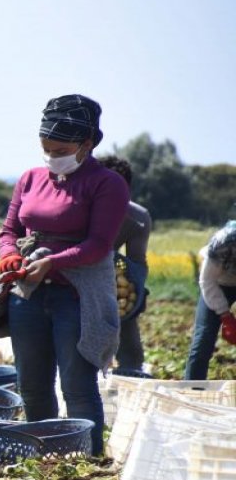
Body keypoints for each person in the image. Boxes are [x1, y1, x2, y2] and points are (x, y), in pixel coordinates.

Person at [0, 94, 129, 453]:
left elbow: (99, 245)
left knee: (77, 386)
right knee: (33, 386)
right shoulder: (30, 178)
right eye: (47, 149)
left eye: (61, 150)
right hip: (29, 296)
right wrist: (8, 254)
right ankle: (43, 458)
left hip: (76, 297)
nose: (53, 157)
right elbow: (8, 230)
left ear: (87, 144)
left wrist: (51, 263)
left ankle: (86, 461)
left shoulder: (107, 184)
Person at [102, 156, 153, 376]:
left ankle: (130, 372)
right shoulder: (79, 207)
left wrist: (137, 293)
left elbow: (136, 262)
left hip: (111, 270)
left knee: (129, 339)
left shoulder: (138, 217)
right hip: (75, 270)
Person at [183, 222, 236, 380]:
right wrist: (225, 316)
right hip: (217, 283)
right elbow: (207, 281)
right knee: (203, 340)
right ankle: (193, 391)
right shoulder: (223, 242)